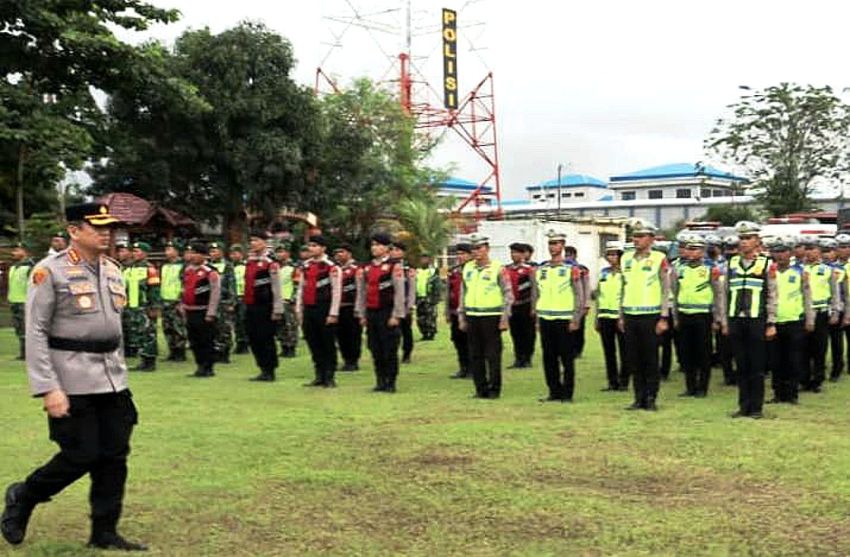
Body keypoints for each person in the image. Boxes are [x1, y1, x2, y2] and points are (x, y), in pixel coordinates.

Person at [1, 203, 146, 551]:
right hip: (71, 378)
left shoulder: (112, 270)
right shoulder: (49, 271)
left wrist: (123, 372)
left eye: (109, 227)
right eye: (97, 227)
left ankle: (104, 531)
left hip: (112, 379)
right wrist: (48, 387)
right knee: (81, 454)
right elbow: (35, 331)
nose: (106, 233)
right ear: (74, 231)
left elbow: (115, 329)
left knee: (114, 455)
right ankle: (24, 494)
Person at [724, 221, 775, 418]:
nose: (744, 242)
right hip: (737, 320)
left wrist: (771, 322)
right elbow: (725, 292)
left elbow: (772, 294)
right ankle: (743, 405)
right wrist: (725, 321)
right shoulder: (732, 263)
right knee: (741, 364)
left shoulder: (767, 264)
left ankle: (756, 408)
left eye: (748, 238)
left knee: (756, 365)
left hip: (757, 320)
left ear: (757, 241)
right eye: (741, 238)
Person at [619, 220, 671, 411]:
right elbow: (623, 287)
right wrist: (621, 315)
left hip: (651, 315)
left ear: (651, 239)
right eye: (634, 236)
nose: (637, 240)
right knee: (634, 359)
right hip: (630, 314)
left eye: (641, 236)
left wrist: (664, 317)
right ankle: (638, 397)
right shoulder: (626, 258)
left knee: (650, 359)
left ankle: (650, 397)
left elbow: (666, 289)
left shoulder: (659, 258)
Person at [458, 235, 514, 399]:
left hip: (492, 316)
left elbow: (508, 294)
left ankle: (494, 388)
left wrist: (505, 317)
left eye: (480, 248)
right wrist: (462, 316)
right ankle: (480, 388)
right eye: (474, 248)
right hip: (473, 315)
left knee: (493, 354)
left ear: (487, 249)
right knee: (475, 354)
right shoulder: (467, 268)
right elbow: (463, 293)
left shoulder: (498, 268)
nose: (477, 252)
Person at [670, 234, 726, 398]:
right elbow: (675, 291)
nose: (690, 252)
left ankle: (702, 387)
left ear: (702, 251)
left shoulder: (711, 268)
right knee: (687, 353)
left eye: (695, 249)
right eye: (688, 248)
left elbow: (718, 294)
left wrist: (717, 318)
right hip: (684, 314)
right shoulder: (679, 268)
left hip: (703, 316)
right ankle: (690, 386)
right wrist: (675, 317)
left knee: (703, 353)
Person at [535, 231, 585, 402]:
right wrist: (536, 318)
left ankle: (567, 393)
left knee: (566, 358)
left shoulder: (571, 269)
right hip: (546, 318)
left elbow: (579, 294)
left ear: (563, 246)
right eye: (550, 244)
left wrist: (576, 318)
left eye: (556, 243)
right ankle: (553, 391)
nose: (553, 247)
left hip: (564, 318)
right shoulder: (542, 269)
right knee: (549, 357)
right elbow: (537, 294)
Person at [356, 233, 407, 392]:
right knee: (375, 348)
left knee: (389, 349)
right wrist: (362, 313)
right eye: (373, 245)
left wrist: (396, 314)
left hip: (387, 311)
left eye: (378, 245)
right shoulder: (367, 267)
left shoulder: (394, 266)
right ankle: (380, 380)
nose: (374, 248)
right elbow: (362, 292)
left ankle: (391, 382)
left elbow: (399, 292)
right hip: (372, 312)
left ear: (386, 248)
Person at [767, 238, 813, 404]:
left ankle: (792, 394)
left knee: (794, 359)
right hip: (774, 323)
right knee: (776, 360)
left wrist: (810, 319)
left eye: (784, 251)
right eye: (777, 251)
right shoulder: (768, 272)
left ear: (791, 253)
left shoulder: (800, 272)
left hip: (795, 322)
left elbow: (807, 296)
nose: (780, 255)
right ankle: (778, 393)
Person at [297, 235, 342, 388]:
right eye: (310, 245)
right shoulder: (306, 266)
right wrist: (299, 309)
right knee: (313, 343)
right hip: (309, 308)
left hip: (325, 308)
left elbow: (336, 291)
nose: (312, 248)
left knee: (327, 343)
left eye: (315, 246)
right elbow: (301, 289)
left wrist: (333, 313)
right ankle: (319, 375)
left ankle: (330, 376)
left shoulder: (331, 266)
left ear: (323, 248)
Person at [799, 237, 841, 392]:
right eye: (807, 249)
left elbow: (835, 292)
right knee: (802, 348)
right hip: (802, 313)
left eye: (813, 249)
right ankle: (803, 379)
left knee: (819, 348)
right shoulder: (798, 268)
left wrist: (835, 311)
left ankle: (817, 380)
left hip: (821, 313)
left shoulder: (828, 269)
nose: (810, 252)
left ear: (819, 251)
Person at [243, 231, 283, 382]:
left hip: (265, 306)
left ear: (265, 243)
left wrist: (277, 309)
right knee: (254, 338)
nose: (252, 243)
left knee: (266, 338)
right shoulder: (250, 262)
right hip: (251, 305)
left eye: (256, 240)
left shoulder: (270, 263)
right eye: (251, 240)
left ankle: (270, 369)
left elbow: (276, 287)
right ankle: (261, 368)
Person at [180, 241, 221, 378]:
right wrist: (183, 306)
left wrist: (211, 312)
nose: (192, 256)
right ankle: (199, 366)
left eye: (195, 253)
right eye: (191, 253)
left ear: (204, 256)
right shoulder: (188, 270)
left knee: (206, 340)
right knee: (194, 340)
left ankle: (208, 367)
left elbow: (215, 293)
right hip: (190, 310)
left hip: (203, 311)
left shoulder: (210, 272)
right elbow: (185, 289)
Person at [594, 241, 626, 391]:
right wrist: (597, 317)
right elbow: (599, 295)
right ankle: (612, 381)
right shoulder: (604, 273)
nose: (611, 257)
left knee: (625, 350)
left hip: (620, 317)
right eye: (609, 254)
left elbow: (626, 295)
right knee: (608, 351)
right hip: (605, 316)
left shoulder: (626, 273)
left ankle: (624, 381)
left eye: (614, 254)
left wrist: (622, 316)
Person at [127, 241, 160, 372]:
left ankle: (150, 361)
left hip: (145, 306)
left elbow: (154, 289)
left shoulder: (150, 269)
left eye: (137, 251)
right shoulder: (129, 268)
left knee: (149, 334)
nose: (134, 254)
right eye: (133, 251)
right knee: (138, 334)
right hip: (133, 307)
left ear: (145, 253)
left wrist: (154, 306)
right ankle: (143, 359)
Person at [505, 242, 536, 368]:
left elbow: (534, 288)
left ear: (523, 254)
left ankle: (527, 358)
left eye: (517, 252)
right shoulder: (507, 269)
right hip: (513, 305)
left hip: (526, 304)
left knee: (528, 333)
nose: (514, 255)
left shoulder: (529, 269)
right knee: (515, 333)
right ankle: (518, 358)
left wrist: (534, 306)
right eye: (512, 252)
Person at [334, 243, 363, 371]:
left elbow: (361, 290)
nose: (339, 255)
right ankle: (346, 359)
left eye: (342, 252)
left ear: (349, 254)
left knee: (353, 335)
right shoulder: (335, 269)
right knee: (341, 336)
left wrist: (359, 308)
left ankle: (353, 360)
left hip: (351, 307)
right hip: (338, 307)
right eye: (337, 252)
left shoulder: (356, 269)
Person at [446, 243, 472, 379]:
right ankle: (463, 367)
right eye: (459, 254)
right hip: (455, 311)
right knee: (458, 340)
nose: (460, 256)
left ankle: (473, 369)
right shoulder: (454, 271)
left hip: (470, 311)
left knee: (471, 342)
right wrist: (447, 311)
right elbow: (448, 292)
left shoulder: (474, 270)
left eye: (463, 254)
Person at [159, 240, 187, 362]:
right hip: (165, 300)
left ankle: (180, 352)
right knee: (167, 327)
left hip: (177, 301)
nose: (167, 252)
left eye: (170, 249)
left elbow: (185, 284)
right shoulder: (164, 266)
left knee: (178, 327)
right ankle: (172, 351)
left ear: (177, 251)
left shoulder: (183, 266)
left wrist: (181, 299)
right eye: (166, 249)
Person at [208, 242, 235, 364]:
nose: (213, 254)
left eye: (215, 251)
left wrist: (231, 301)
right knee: (212, 328)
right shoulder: (207, 266)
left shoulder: (227, 266)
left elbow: (231, 285)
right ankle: (215, 351)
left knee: (224, 328)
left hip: (223, 301)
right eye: (211, 251)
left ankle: (224, 353)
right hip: (210, 302)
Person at [7, 241, 34, 360]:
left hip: (24, 302)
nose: (14, 253)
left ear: (25, 252)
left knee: (26, 329)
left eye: (17, 250)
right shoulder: (13, 267)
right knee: (19, 329)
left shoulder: (30, 267)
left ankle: (28, 353)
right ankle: (22, 353)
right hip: (14, 301)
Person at [822, 238, 845, 381]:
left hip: (837, 308)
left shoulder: (840, 270)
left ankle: (837, 369)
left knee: (836, 341)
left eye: (829, 251)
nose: (826, 254)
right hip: (821, 309)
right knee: (821, 343)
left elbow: (842, 291)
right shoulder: (815, 268)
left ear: (835, 252)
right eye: (824, 251)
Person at [390, 240, 416, 364]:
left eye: (397, 250)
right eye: (392, 250)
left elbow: (412, 288)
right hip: (390, 305)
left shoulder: (407, 268)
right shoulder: (387, 267)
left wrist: (410, 305)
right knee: (392, 331)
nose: (394, 253)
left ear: (403, 253)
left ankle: (407, 353)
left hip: (404, 305)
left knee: (406, 331)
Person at [564, 245, 590, 358]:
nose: (567, 257)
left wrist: (586, 304)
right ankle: (568, 349)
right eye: (566, 255)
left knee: (579, 328)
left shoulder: (582, 269)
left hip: (580, 303)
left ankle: (578, 350)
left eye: (569, 255)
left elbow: (587, 287)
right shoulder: (564, 268)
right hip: (568, 304)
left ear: (575, 255)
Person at [275, 244, 298, 358]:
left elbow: (297, 285)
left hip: (288, 300)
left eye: (282, 252)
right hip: (276, 301)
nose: (280, 254)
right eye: (278, 252)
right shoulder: (274, 267)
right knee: (279, 325)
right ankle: (283, 346)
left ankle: (291, 347)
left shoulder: (293, 268)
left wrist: (293, 299)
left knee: (290, 324)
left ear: (288, 253)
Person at [414, 253, 441, 341]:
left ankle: (431, 334)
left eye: (425, 259)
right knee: (421, 317)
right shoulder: (417, 271)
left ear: (429, 260)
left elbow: (437, 285)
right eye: (422, 259)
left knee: (430, 317)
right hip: (419, 298)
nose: (423, 261)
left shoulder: (433, 271)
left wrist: (435, 298)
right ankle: (424, 333)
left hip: (429, 297)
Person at [229, 244, 249, 354]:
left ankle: (244, 343)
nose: (233, 256)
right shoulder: (229, 267)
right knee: (235, 322)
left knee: (243, 321)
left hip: (243, 297)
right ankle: (239, 342)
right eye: (231, 254)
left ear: (241, 254)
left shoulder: (246, 266)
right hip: (233, 297)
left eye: (235, 253)